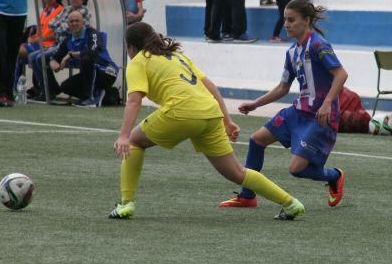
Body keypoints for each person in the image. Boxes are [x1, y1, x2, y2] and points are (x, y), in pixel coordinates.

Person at [110, 21, 306, 220]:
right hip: (210, 113)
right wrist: (227, 121)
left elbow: (134, 100)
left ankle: (126, 204)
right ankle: (290, 203)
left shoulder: (138, 61)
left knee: (134, 141)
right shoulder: (177, 56)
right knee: (237, 172)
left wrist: (124, 136)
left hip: (181, 111)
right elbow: (211, 87)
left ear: (131, 47)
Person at [218, 0, 348, 212]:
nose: (286, 24)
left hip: (319, 117)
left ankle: (335, 175)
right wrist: (255, 104)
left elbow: (341, 74)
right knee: (256, 140)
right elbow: (283, 87)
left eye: (291, 20)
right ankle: (247, 196)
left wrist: (326, 104)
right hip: (297, 113)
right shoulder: (291, 52)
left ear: (306, 21)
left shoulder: (318, 45)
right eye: (285, 20)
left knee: (296, 170)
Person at [49, 10, 118, 107]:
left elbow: (92, 52)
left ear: (83, 23)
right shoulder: (68, 39)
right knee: (65, 87)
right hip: (91, 75)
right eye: (71, 22)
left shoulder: (93, 33)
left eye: (77, 21)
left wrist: (70, 55)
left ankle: (91, 98)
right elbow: (57, 56)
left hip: (107, 72)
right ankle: (104, 95)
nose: (74, 23)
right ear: (68, 24)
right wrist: (54, 63)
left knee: (87, 58)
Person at [25, 0, 64, 100]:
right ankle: (34, 87)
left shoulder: (61, 11)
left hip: (50, 45)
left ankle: (46, 89)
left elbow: (57, 35)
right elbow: (40, 32)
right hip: (40, 44)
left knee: (24, 54)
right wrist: (32, 38)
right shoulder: (44, 11)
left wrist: (38, 39)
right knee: (21, 55)